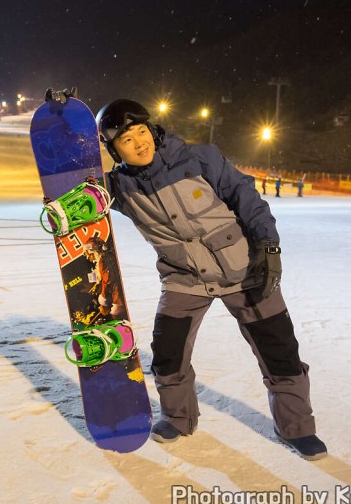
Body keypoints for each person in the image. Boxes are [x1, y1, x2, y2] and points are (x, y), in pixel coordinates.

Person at [96, 98, 327, 460]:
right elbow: (76, 186)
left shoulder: (199, 157)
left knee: (280, 351)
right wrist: (67, 129)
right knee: (168, 354)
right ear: (114, 149)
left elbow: (244, 195)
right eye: (127, 140)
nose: (139, 142)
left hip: (245, 269)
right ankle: (178, 417)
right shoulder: (121, 188)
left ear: (152, 130)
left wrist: (268, 246)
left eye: (142, 131)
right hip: (184, 278)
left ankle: (298, 429)